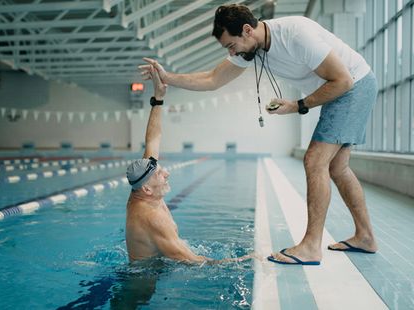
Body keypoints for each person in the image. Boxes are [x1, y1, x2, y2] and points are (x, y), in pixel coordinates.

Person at [139, 4, 378, 265]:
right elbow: (212, 79)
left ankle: (311, 246)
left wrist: (297, 105)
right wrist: (167, 78)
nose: (232, 52)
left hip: (353, 85)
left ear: (247, 30)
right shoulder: (251, 48)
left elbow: (343, 81)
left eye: (231, 45)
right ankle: (365, 236)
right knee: (338, 168)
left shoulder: (296, 34)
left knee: (314, 161)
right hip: (345, 87)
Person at [126, 65, 252, 264]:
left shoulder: (142, 186)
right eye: (160, 174)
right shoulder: (151, 217)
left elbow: (153, 138)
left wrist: (158, 98)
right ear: (147, 190)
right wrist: (243, 261)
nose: (166, 173)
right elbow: (194, 261)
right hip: (144, 281)